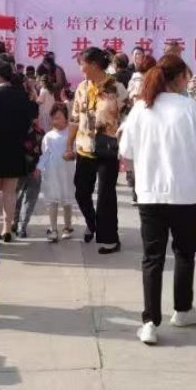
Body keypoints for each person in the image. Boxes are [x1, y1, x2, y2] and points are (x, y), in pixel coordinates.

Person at [118, 54, 196, 345]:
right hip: (185, 193)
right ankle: (182, 310)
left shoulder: (141, 108)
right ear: (180, 78)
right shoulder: (189, 108)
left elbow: (126, 151)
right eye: (186, 76)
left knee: (152, 257)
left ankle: (149, 322)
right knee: (184, 252)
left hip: (149, 192)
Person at [68, 46, 128, 253]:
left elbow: (128, 118)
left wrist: (124, 143)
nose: (81, 68)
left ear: (93, 65)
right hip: (85, 147)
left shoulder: (116, 87)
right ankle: (92, 223)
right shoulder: (82, 87)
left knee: (105, 195)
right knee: (81, 191)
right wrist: (68, 144)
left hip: (108, 149)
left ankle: (110, 238)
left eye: (82, 64)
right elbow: (75, 118)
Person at [0, 59, 38, 242]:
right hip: (15, 148)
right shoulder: (21, 95)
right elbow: (30, 119)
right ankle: (7, 230)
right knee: (10, 193)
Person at [38, 104, 76, 242]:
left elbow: (75, 151)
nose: (55, 121)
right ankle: (53, 228)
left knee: (67, 200)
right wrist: (40, 169)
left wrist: (72, 155)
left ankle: (67, 226)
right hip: (52, 174)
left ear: (66, 118)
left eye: (58, 117)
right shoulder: (48, 136)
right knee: (52, 201)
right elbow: (45, 154)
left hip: (67, 172)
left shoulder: (71, 134)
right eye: (53, 118)